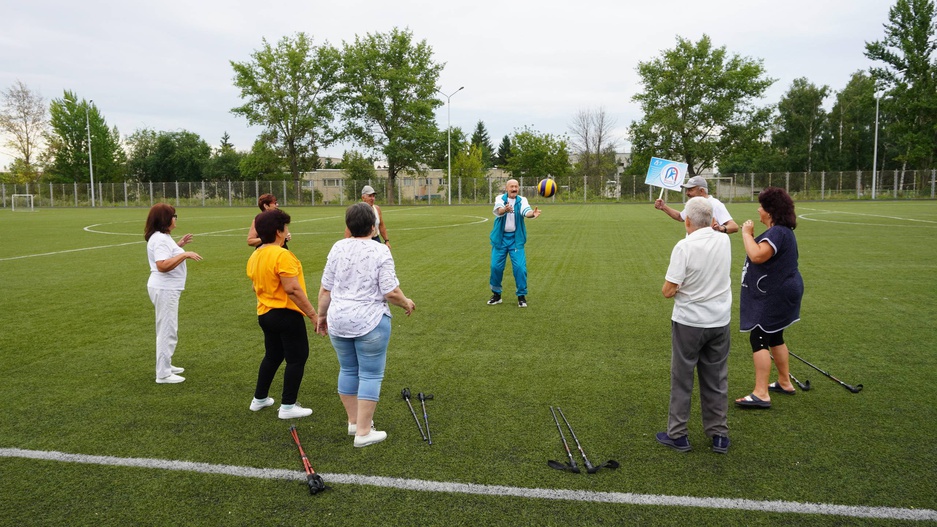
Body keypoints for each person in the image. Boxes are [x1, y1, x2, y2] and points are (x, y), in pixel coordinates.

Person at [317, 202, 415, 447]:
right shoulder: (380, 251)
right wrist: (406, 303)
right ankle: (363, 432)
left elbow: (326, 288)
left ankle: (354, 422)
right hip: (369, 321)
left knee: (348, 370)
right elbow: (390, 291)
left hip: (338, 319)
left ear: (348, 226)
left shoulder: (338, 247)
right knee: (370, 374)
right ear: (373, 226)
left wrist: (321, 316)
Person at [655, 197, 733, 454]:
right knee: (716, 378)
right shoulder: (724, 240)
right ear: (712, 221)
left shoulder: (684, 246)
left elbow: (668, 290)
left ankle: (678, 435)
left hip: (690, 321)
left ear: (687, 221)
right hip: (720, 320)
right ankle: (719, 434)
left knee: (682, 378)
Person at [735, 187, 804, 409]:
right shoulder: (784, 232)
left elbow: (756, 255)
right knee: (775, 336)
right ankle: (784, 382)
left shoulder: (777, 233)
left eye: (762, 207)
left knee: (759, 337)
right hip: (785, 290)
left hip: (775, 293)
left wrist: (747, 234)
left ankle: (761, 393)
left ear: (770, 211)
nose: (758, 210)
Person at [246, 209, 318, 419]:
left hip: (265, 314)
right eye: (285, 228)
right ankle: (287, 406)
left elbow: (255, 287)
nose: (287, 232)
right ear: (279, 231)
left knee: (273, 355)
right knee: (297, 357)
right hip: (286, 314)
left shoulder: (255, 255)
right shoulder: (282, 255)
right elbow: (292, 289)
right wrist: (313, 315)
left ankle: (259, 399)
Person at [144, 204, 202, 384]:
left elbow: (166, 255)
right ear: (165, 219)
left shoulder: (162, 237)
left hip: (166, 287)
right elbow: (162, 265)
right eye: (173, 215)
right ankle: (163, 374)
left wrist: (179, 246)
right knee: (167, 330)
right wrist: (185, 254)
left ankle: (166, 364)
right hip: (165, 287)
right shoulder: (160, 239)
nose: (176, 218)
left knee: (168, 328)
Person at [487, 179, 541, 308]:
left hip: (516, 240)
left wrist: (532, 214)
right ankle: (496, 295)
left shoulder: (522, 200)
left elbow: (525, 211)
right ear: (507, 188)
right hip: (500, 239)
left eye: (516, 186)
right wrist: (504, 210)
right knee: (496, 267)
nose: (514, 188)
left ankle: (521, 297)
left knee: (520, 268)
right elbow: (499, 210)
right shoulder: (500, 198)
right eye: (511, 186)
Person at [655, 176, 739, 234]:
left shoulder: (715, 204)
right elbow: (680, 217)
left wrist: (722, 228)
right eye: (687, 190)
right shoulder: (693, 205)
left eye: (690, 190)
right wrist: (663, 207)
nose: (687, 193)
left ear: (702, 191)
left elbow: (734, 226)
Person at [345, 185, 391, 250]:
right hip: (361, 240)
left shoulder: (377, 209)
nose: (372, 198)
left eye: (373, 196)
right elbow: (349, 228)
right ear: (363, 197)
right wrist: (347, 244)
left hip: (375, 239)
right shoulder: (357, 210)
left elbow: (381, 225)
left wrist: (386, 241)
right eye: (370, 196)